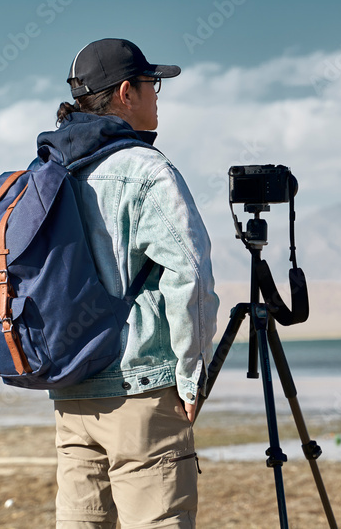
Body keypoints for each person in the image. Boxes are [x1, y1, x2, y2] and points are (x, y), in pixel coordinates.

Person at [35, 38, 219, 528]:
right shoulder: (146, 171)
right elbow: (191, 276)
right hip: (140, 392)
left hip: (72, 391)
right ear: (125, 93)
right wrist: (191, 377)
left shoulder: (52, 169)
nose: (157, 95)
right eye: (152, 84)